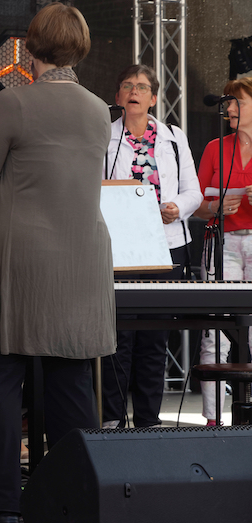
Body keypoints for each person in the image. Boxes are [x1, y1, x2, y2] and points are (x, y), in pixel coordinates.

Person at [0, 3, 113, 523]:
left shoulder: (14, 101)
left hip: (19, 258)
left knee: (2, 384)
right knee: (72, 386)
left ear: (29, 48)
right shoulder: (99, 109)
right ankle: (77, 502)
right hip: (81, 261)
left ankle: (1, 507)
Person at [101, 64, 201, 429]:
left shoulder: (173, 136)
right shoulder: (104, 136)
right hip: (120, 249)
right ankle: (112, 417)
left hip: (166, 245)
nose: (134, 91)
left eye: (142, 87)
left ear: (154, 97)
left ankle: (148, 419)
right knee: (119, 335)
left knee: (155, 337)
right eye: (127, 85)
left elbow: (194, 191)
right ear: (118, 96)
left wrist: (178, 208)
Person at [196, 76, 252, 424]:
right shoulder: (215, 148)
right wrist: (215, 207)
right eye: (228, 101)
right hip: (222, 242)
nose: (229, 108)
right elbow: (195, 204)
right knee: (215, 334)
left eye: (237, 102)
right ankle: (213, 420)